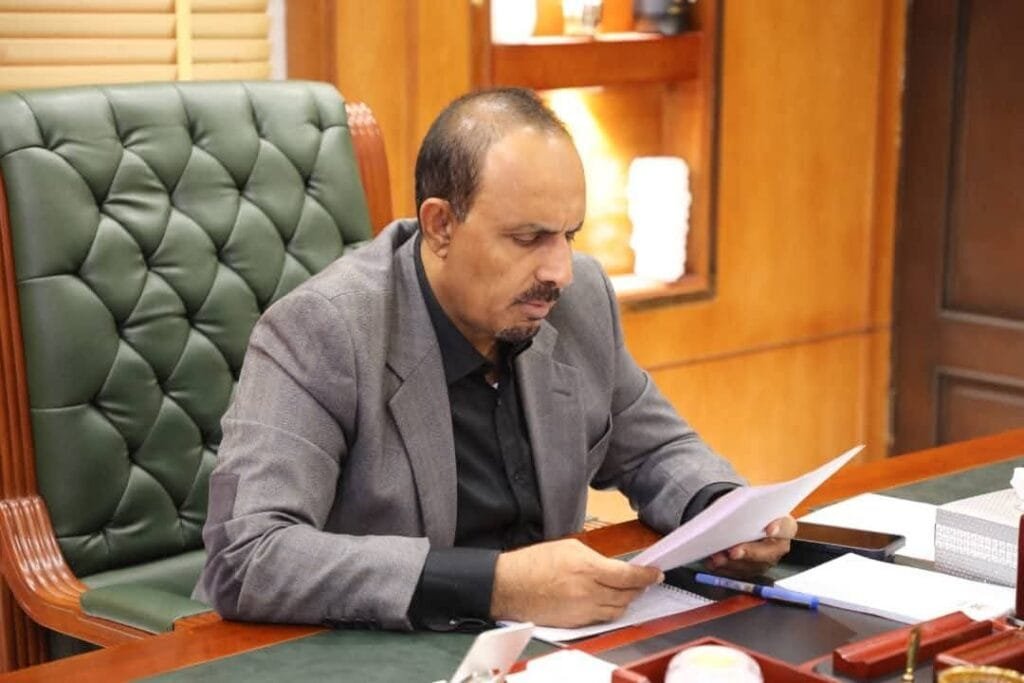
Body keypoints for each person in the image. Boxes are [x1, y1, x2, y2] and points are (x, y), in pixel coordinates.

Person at [196, 87, 795, 631]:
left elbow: (655, 449)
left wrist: (724, 509)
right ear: (440, 226)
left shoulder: (579, 298)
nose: (559, 271)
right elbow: (247, 556)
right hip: (388, 647)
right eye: (528, 238)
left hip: (552, 645)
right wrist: (495, 586)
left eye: (569, 235)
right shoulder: (323, 329)